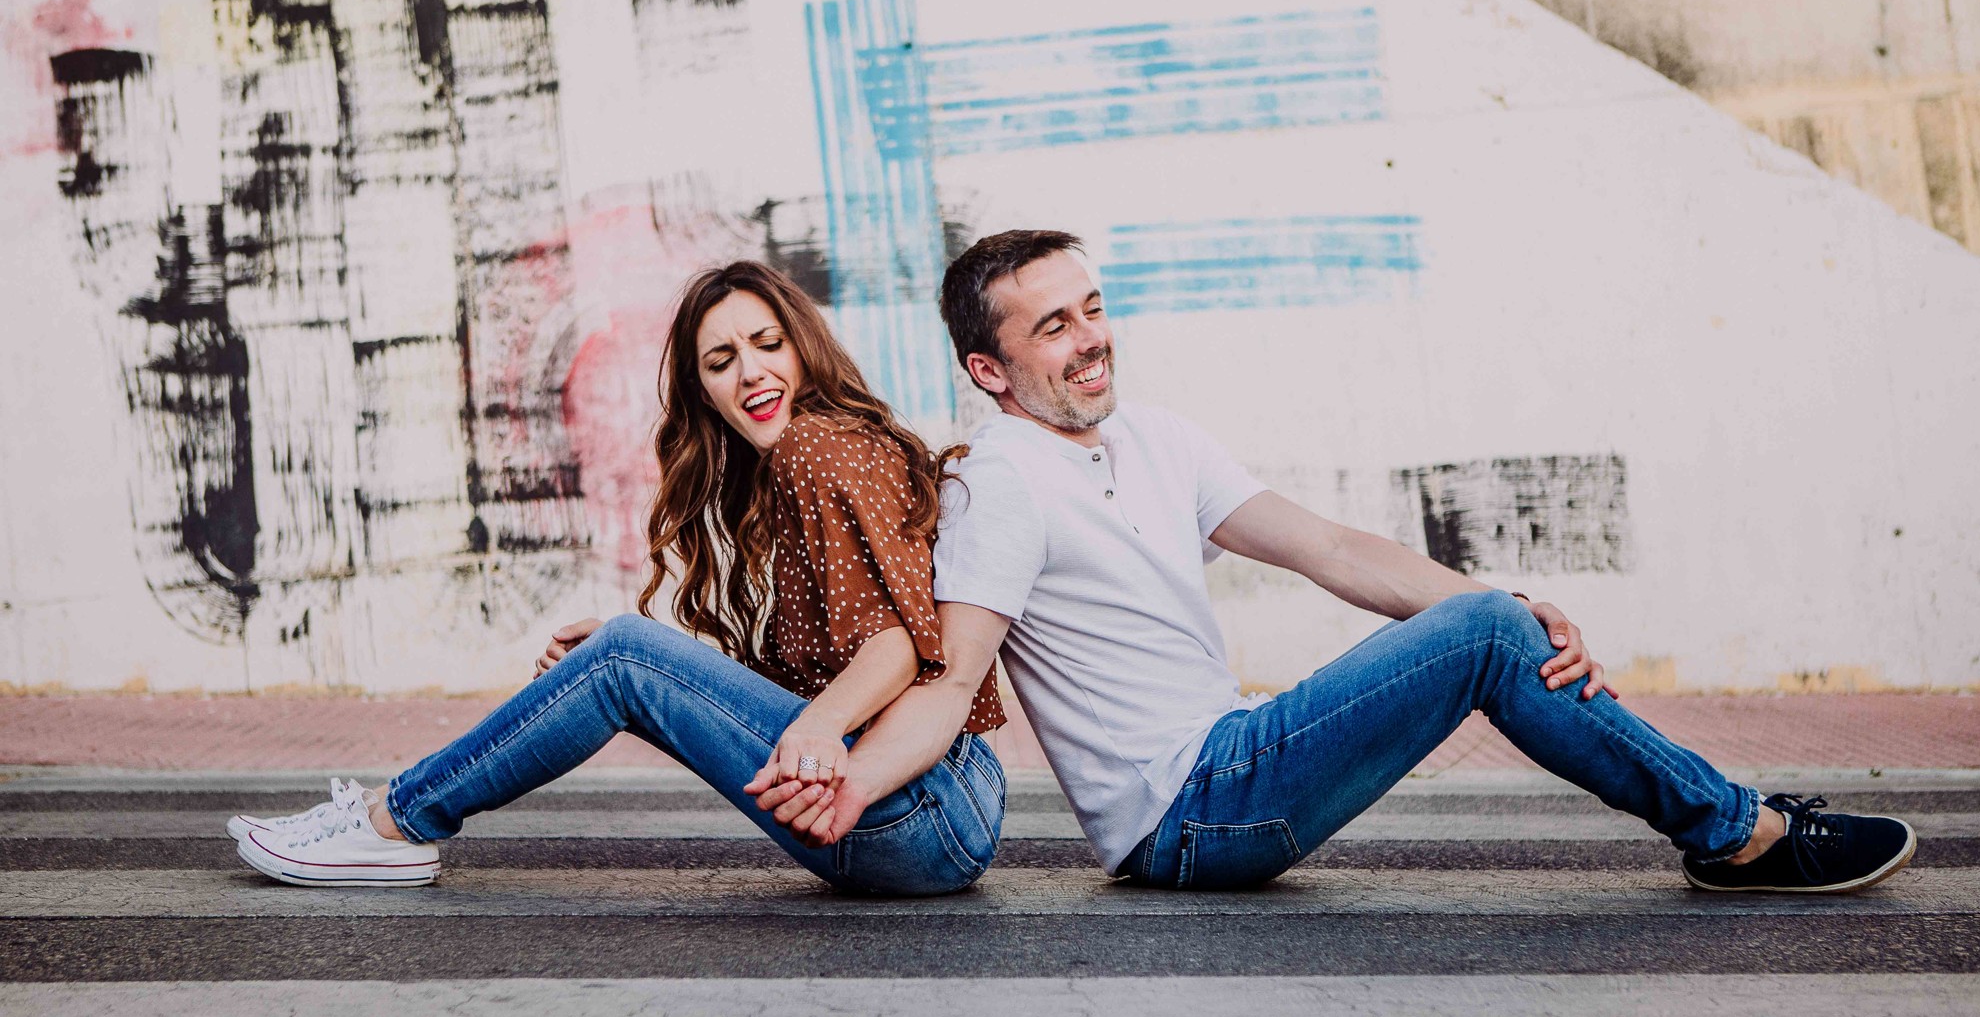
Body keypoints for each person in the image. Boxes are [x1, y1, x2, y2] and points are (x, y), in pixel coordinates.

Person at [752, 229, 1916, 895]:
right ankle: (1735, 831)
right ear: (989, 369)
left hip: (1229, 767)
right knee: (1482, 634)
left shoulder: (1154, 438)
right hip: (1187, 817)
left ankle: (1723, 821)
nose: (1090, 337)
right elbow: (953, 683)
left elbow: (1328, 548)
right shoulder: (999, 481)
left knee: (1491, 623)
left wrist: (1511, 599)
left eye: (1092, 307)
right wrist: (853, 788)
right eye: (1050, 325)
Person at [228, 260, 1007, 895]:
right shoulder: (822, 453)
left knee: (626, 655)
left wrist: (801, 725)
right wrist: (646, 665)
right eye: (721, 360)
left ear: (803, 346)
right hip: (936, 810)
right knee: (625, 655)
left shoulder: (818, 446)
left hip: (917, 802)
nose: (752, 373)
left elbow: (900, 648)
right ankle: (391, 815)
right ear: (703, 389)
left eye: (768, 343)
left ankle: (389, 821)